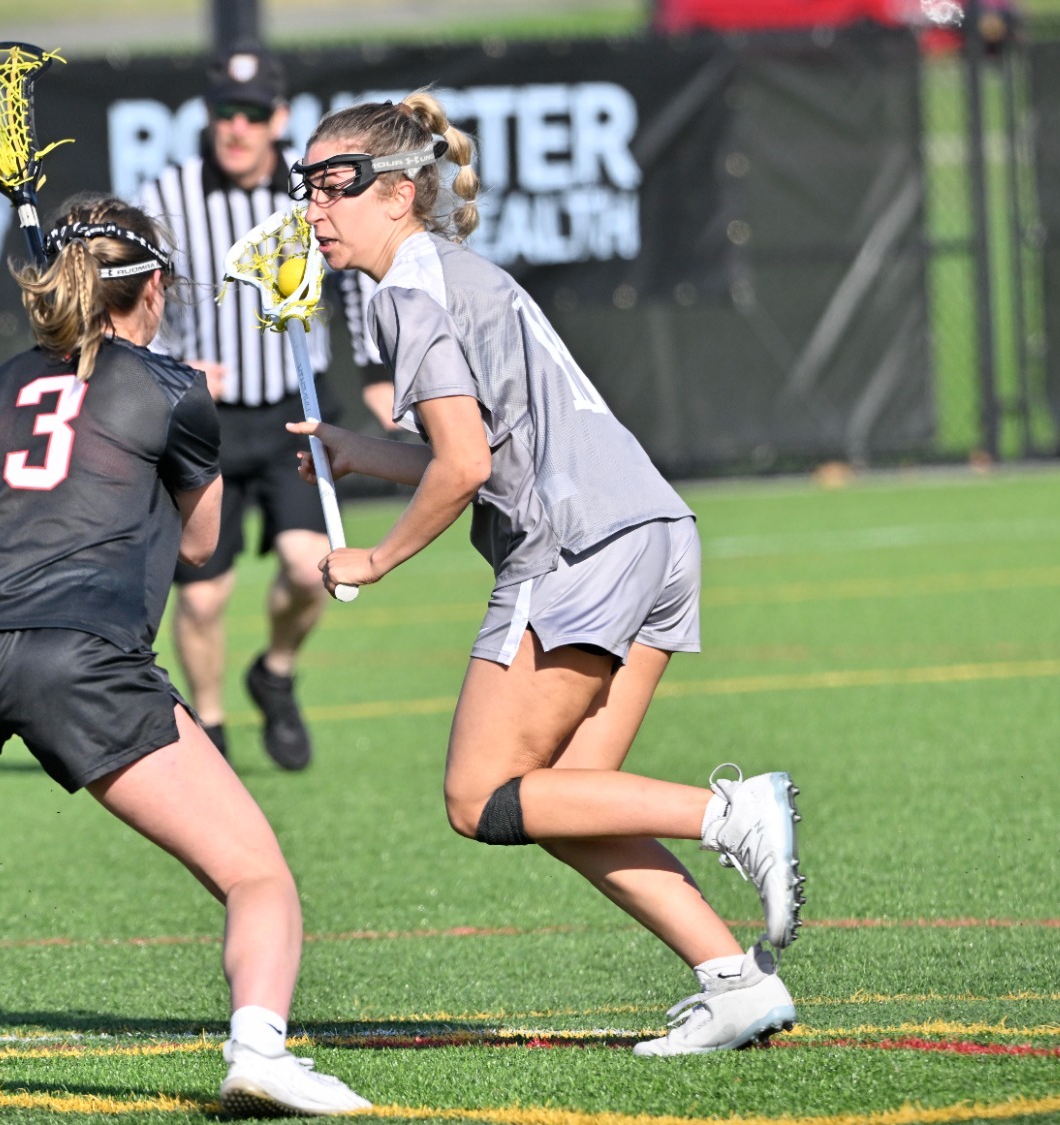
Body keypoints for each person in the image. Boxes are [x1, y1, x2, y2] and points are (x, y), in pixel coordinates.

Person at [0, 195, 369, 1117]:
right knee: (255, 873)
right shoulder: (172, 387)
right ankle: (259, 1051)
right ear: (153, 286)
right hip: (78, 655)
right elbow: (203, 546)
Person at [286, 93, 808, 1057]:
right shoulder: (444, 271)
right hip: (651, 530)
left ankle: (728, 812)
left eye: (334, 186)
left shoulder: (405, 290)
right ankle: (732, 982)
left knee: (479, 796)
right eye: (304, 186)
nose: (313, 209)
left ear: (399, 194)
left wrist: (378, 557)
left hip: (576, 547)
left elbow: (466, 468)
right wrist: (364, 450)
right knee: (566, 796)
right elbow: (475, 441)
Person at [136, 43, 374, 770]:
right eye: (222, 113)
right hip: (202, 418)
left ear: (279, 118)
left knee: (312, 571)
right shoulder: (166, 196)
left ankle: (274, 672)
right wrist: (171, 370)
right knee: (203, 599)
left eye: (251, 114)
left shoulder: (313, 195)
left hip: (292, 411)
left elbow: (359, 272)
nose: (236, 128)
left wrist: (375, 368)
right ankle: (207, 725)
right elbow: (130, 304)